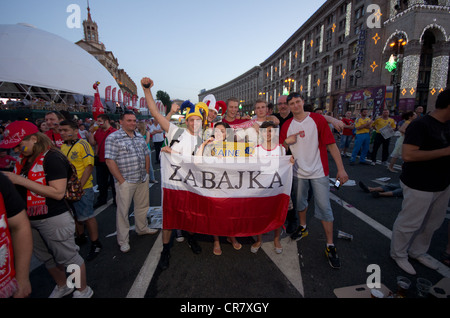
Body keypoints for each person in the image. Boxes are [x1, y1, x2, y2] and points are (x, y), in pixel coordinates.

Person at [0, 121, 93, 298]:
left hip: (54, 217)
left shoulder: (52, 158)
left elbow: (58, 193)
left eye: (19, 146)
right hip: (29, 219)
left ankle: (82, 290)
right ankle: (62, 285)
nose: (17, 151)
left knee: (69, 258)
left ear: (34, 139)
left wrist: (18, 180)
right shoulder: (22, 160)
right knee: (46, 258)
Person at [142, 77, 205, 270]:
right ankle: (165, 250)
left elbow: (202, 163)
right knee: (169, 218)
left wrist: (175, 153)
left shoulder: (204, 141)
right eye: (191, 119)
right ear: (187, 121)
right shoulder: (175, 132)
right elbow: (154, 112)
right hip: (172, 185)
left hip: (192, 185)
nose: (195, 123)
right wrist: (146, 90)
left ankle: (191, 238)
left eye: (198, 120)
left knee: (191, 215)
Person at [281, 92, 349, 269]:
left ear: (303, 102)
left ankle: (330, 245)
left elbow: (331, 144)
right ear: (289, 106)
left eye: (298, 102)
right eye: (292, 103)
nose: (295, 105)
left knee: (325, 208)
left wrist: (341, 169)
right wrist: (287, 143)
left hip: (319, 172)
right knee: (300, 202)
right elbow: (281, 148)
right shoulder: (287, 125)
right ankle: (303, 227)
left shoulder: (317, 120)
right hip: (298, 173)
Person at [390, 88, 450, 275]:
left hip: (443, 183)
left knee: (433, 223)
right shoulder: (421, 125)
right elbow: (408, 155)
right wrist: (445, 152)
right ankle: (398, 253)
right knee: (410, 222)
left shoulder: (448, 125)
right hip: (418, 183)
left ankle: (418, 251)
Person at [105, 111, 157, 253]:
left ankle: (142, 228)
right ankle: (123, 240)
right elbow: (110, 161)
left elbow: (146, 154)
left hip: (141, 179)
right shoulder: (113, 138)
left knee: (142, 207)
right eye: (129, 120)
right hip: (126, 181)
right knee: (123, 212)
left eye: (134, 120)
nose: (133, 123)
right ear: (120, 122)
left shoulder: (138, 136)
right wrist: (122, 181)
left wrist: (147, 172)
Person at [196, 122, 242, 256]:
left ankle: (231, 235)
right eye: (216, 131)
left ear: (227, 133)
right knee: (214, 213)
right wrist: (204, 145)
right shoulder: (208, 146)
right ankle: (216, 240)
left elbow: (243, 164)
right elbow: (198, 162)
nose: (218, 133)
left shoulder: (234, 147)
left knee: (229, 213)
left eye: (222, 131)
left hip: (229, 186)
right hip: (213, 185)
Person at [59, 120, 102, 261]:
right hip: (69, 189)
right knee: (76, 215)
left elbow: (89, 167)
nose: (63, 133)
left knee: (87, 216)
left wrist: (79, 187)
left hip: (83, 188)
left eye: (66, 130)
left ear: (75, 130)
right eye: (61, 130)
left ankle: (96, 243)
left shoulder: (83, 145)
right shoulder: (63, 147)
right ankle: (81, 236)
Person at [251, 121, 287, 254]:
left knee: (277, 212)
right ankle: (259, 239)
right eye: (265, 131)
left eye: (271, 131)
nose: (267, 133)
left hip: (277, 188)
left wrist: (291, 162)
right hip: (261, 188)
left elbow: (286, 166)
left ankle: (276, 239)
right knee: (260, 214)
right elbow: (250, 168)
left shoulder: (281, 149)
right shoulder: (257, 149)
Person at [0, 173, 32, 298]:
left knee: (67, 258)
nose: (17, 151)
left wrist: (22, 278)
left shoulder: (2, 181)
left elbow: (20, 226)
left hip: (6, 284)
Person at [87, 114, 117, 208]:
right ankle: (102, 199)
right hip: (100, 160)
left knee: (114, 182)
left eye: (100, 121)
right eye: (97, 121)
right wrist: (91, 133)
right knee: (101, 182)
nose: (98, 123)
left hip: (112, 160)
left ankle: (116, 200)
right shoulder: (98, 131)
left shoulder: (115, 132)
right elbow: (92, 143)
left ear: (106, 121)